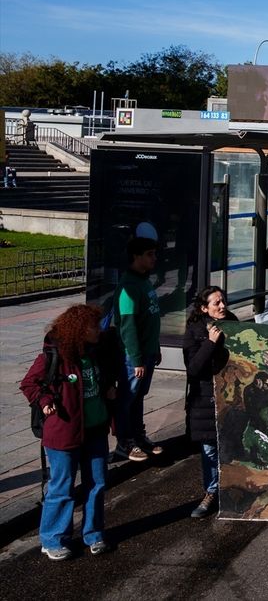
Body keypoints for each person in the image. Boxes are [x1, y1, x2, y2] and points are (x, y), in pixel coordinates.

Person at [21, 304, 120, 560]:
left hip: (95, 430)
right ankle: (53, 539)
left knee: (96, 484)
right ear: (79, 330)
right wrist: (44, 400)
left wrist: (109, 387)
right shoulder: (55, 355)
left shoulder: (97, 352)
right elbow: (29, 383)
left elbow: (102, 377)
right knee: (62, 486)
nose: (98, 330)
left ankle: (94, 534)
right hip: (64, 432)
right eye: (93, 326)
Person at [182, 286, 238, 519]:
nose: (222, 306)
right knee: (209, 449)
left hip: (230, 394)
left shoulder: (232, 322)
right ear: (205, 308)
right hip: (205, 398)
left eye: (223, 301)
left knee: (231, 445)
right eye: (217, 303)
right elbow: (194, 368)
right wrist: (210, 343)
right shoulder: (195, 330)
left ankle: (232, 490)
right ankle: (212, 492)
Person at [114, 236, 163, 462]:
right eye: (149, 254)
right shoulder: (128, 287)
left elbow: (150, 321)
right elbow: (128, 326)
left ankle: (138, 435)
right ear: (136, 256)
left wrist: (155, 348)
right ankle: (125, 440)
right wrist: (135, 359)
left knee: (139, 396)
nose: (154, 258)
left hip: (148, 352)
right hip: (134, 356)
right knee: (127, 397)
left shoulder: (144, 281)